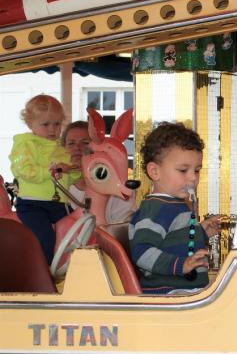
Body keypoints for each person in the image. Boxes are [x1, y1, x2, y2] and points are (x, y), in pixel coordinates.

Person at [129, 122, 221, 294]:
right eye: (183, 170)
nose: (193, 178)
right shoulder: (156, 208)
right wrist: (181, 265)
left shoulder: (175, 203)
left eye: (197, 170)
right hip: (169, 292)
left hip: (184, 290)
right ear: (154, 172)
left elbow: (173, 238)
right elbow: (142, 251)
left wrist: (201, 231)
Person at [9, 94, 78, 264]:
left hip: (59, 204)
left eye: (56, 124)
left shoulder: (60, 149)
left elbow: (68, 180)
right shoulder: (25, 145)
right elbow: (23, 169)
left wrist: (78, 169)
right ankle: (43, 271)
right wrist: (51, 171)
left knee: (76, 231)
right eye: (45, 124)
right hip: (33, 205)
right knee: (44, 238)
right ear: (30, 124)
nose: (52, 130)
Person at [62, 120, 136, 223]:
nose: (77, 148)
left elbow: (125, 223)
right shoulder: (58, 186)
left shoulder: (114, 185)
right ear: (62, 149)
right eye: (71, 143)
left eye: (85, 143)